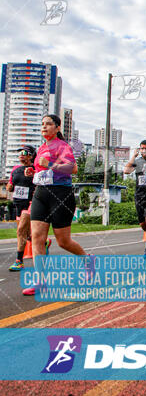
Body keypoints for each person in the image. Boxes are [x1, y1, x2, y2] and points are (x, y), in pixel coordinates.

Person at [22, 115, 89, 296]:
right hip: (41, 194)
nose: (44, 127)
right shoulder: (41, 147)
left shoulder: (63, 146)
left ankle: (87, 260)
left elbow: (72, 169)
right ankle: (40, 281)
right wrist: (33, 171)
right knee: (36, 236)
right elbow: (42, 170)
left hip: (60, 194)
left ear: (57, 128)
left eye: (49, 124)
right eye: (42, 124)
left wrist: (50, 164)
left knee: (63, 241)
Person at [7, 146, 51, 271]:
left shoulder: (35, 169)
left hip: (31, 202)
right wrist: (9, 186)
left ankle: (19, 261)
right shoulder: (15, 169)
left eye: (24, 152)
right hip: (18, 204)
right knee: (24, 234)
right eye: (20, 152)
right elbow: (11, 185)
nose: (21, 154)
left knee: (20, 230)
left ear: (31, 156)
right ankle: (44, 242)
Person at [124, 140, 146, 255]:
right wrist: (133, 156)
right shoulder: (137, 161)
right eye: (142, 148)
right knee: (143, 224)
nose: (144, 150)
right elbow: (126, 171)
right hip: (139, 195)